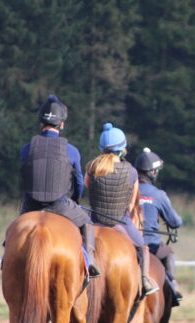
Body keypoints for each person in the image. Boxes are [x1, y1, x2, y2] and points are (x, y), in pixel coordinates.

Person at [19, 94, 100, 277]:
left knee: (15, 230)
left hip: (31, 204)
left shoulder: (26, 148)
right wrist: (75, 201)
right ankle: (91, 262)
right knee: (87, 224)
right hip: (60, 204)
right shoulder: (71, 151)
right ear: (61, 124)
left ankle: (6, 259)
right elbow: (79, 182)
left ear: (41, 123)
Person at [85, 123, 159, 297]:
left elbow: (87, 188)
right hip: (121, 222)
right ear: (123, 148)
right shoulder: (132, 172)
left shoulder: (92, 168)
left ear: (102, 148)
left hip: (94, 220)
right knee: (143, 247)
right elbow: (132, 204)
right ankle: (145, 280)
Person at [135, 147, 184, 307]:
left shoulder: (130, 189)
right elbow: (175, 222)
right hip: (152, 245)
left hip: (131, 241)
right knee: (168, 254)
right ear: (153, 173)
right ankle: (173, 284)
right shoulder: (158, 194)